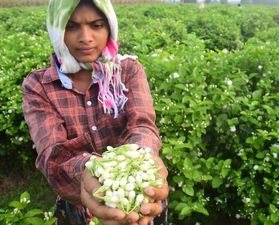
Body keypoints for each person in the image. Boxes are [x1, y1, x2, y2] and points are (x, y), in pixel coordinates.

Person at [22, 0, 169, 224]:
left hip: (139, 194)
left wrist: (145, 156)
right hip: (78, 203)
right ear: (57, 28)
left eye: (96, 25)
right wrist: (88, 170)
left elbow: (142, 124)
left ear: (109, 26)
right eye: (71, 26)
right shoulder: (39, 85)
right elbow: (52, 154)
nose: (86, 37)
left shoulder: (128, 71)